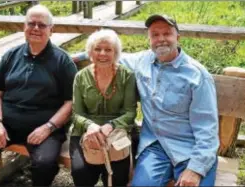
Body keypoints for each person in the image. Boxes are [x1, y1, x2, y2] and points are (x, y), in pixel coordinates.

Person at [73, 14, 219, 186]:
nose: (161, 39)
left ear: (178, 37)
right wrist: (75, 56)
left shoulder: (197, 76)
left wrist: (195, 168)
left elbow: (207, 129)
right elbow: (107, 52)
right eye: (155, 35)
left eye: (167, 34)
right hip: (154, 146)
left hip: (190, 148)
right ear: (149, 39)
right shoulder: (142, 61)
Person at [0, 5, 77, 186]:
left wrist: (48, 127)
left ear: (51, 30)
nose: (36, 28)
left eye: (42, 25)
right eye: (31, 23)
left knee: (44, 164)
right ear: (24, 27)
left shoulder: (63, 61)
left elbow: (70, 102)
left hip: (45, 128)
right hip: (6, 123)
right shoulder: (10, 56)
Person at [70, 29, 137, 186]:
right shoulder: (80, 77)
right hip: (85, 131)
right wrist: (90, 126)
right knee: (81, 173)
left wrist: (111, 125)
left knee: (118, 175)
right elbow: (76, 113)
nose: (102, 54)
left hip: (118, 131)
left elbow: (130, 112)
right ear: (90, 52)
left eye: (108, 49)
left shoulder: (127, 75)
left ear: (116, 53)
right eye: (97, 49)